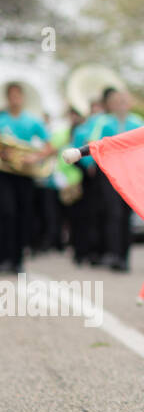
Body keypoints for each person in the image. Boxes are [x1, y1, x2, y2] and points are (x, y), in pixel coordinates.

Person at [84, 88, 144, 272]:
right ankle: (115, 255)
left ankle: (124, 257)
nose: (120, 104)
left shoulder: (137, 122)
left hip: (130, 174)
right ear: (110, 104)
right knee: (114, 214)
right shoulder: (102, 122)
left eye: (124, 100)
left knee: (126, 216)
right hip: (109, 174)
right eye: (117, 101)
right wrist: (90, 164)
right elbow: (92, 145)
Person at [0, 83, 52, 274]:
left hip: (25, 173)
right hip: (4, 173)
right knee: (6, 213)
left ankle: (17, 259)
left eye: (17, 95)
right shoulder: (1, 118)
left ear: (22, 98)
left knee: (23, 215)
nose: (15, 99)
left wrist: (35, 157)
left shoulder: (33, 121)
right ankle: (4, 257)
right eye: (11, 95)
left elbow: (49, 146)